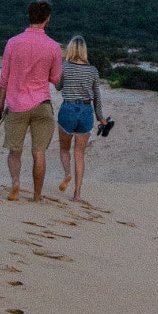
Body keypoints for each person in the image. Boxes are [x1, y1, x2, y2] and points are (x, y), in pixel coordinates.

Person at [0, 0, 63, 202]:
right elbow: (56, 79)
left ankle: (15, 183)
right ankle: (37, 195)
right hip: (42, 103)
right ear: (47, 19)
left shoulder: (13, 43)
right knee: (38, 152)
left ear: (29, 17)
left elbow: (4, 78)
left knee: (15, 151)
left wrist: (0, 104)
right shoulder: (53, 46)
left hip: (16, 105)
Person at [54, 34, 106, 198]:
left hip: (68, 108)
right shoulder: (93, 70)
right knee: (80, 154)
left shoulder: (65, 67)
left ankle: (67, 173)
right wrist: (100, 116)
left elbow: (58, 87)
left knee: (64, 149)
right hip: (86, 110)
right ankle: (77, 193)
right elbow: (97, 95)